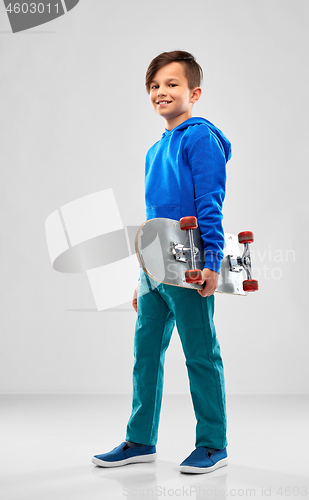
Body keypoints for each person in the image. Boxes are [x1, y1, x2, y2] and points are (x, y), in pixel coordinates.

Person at [92, 50, 232, 474]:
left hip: (191, 266)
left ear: (195, 92)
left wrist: (212, 263)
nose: (161, 92)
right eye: (154, 86)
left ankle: (213, 443)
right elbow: (155, 219)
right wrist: (145, 274)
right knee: (145, 353)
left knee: (200, 354)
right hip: (155, 269)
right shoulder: (156, 150)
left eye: (172, 84)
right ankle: (140, 440)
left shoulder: (200, 138)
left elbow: (210, 205)